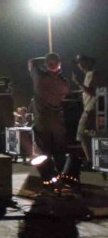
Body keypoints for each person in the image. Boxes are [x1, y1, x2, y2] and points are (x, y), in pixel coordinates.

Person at [28, 52, 70, 185]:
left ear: (46, 65)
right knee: (59, 151)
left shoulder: (39, 77)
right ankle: (62, 176)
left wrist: (45, 59)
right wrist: (54, 62)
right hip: (57, 122)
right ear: (59, 65)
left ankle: (48, 178)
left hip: (42, 121)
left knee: (43, 152)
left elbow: (32, 62)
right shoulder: (65, 83)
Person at [72, 54, 99, 169]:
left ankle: (90, 161)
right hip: (91, 109)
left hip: (91, 110)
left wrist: (78, 83)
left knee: (82, 134)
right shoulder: (88, 75)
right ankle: (94, 161)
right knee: (91, 135)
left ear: (88, 62)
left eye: (81, 62)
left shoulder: (93, 74)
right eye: (78, 63)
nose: (79, 65)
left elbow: (93, 92)